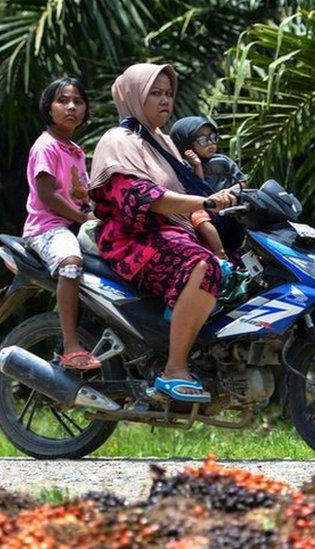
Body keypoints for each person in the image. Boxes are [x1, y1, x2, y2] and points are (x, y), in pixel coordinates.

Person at [88, 63, 237, 403]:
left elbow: (192, 190)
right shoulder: (118, 141)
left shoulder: (164, 143)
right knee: (204, 265)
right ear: (133, 97)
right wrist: (206, 201)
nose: (164, 100)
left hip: (169, 233)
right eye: (154, 93)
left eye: (168, 94)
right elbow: (144, 198)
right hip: (131, 239)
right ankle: (174, 369)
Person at [22, 76, 100, 371]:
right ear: (48, 108)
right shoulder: (47, 146)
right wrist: (82, 217)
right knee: (71, 263)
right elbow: (47, 194)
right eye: (63, 101)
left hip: (73, 226)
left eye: (78, 102)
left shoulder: (75, 151)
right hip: (47, 228)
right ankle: (70, 346)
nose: (71, 107)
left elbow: (84, 195)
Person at [170, 116, 247, 260]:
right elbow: (197, 189)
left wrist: (229, 191)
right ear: (186, 144)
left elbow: (243, 182)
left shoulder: (223, 161)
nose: (211, 143)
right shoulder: (184, 167)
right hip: (208, 211)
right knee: (197, 215)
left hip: (230, 208)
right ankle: (220, 253)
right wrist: (197, 166)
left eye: (213, 137)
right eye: (203, 140)